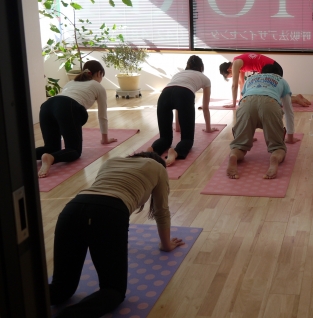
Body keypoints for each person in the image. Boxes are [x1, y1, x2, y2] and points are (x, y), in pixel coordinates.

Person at [49, 152, 184, 318]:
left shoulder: (111, 161)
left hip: (72, 210)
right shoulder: (158, 168)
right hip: (109, 214)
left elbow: (99, 195)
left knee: (62, 288)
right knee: (113, 292)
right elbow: (161, 211)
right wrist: (166, 245)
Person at [36, 60, 117, 178]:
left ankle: (22, 156)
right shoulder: (97, 86)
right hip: (67, 107)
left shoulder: (71, 82)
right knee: (74, 150)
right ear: (99, 73)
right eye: (102, 76)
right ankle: (51, 158)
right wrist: (105, 139)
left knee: (51, 147)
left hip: (47, 106)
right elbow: (102, 115)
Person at [226, 63, 300, 179]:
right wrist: (290, 136)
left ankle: (234, 155)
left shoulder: (251, 79)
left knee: (239, 145)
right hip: (270, 104)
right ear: (279, 74)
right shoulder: (281, 80)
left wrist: (247, 134)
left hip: (246, 104)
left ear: (261, 73)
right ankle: (275, 157)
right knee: (278, 147)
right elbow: (288, 110)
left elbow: (246, 98)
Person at [149, 55, 218, 166]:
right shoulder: (205, 78)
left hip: (164, 95)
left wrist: (177, 127)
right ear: (201, 67)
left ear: (187, 66)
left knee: (165, 138)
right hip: (185, 94)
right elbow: (205, 107)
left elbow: (176, 102)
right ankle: (175, 152)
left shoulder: (178, 74)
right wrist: (208, 129)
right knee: (187, 139)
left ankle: (152, 150)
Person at [219, 53, 311, 108]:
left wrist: (233, 104)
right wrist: (241, 99)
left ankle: (295, 99)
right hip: (273, 67)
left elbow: (234, 85)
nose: (233, 76)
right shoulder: (238, 62)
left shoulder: (236, 63)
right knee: (267, 96)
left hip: (272, 69)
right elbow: (241, 83)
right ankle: (296, 97)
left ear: (229, 70)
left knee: (268, 99)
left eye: (231, 76)